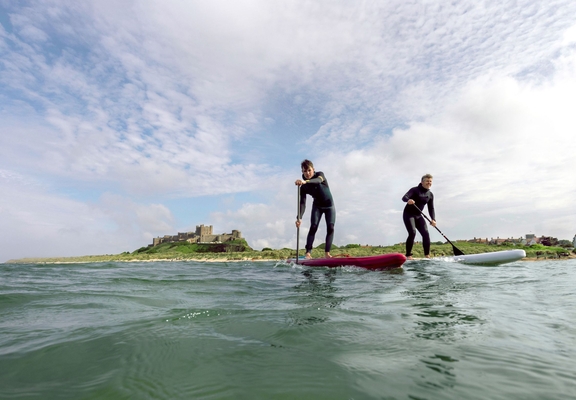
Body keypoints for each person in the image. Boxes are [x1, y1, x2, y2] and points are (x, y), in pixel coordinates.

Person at [295, 159, 335, 259]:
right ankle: (308, 253)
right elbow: (303, 203)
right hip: (317, 206)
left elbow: (317, 181)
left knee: (330, 227)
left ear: (313, 169)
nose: (307, 173)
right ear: (302, 172)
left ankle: (327, 254)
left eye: (309, 170)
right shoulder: (303, 187)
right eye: (305, 171)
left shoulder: (320, 175)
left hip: (329, 206)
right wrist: (299, 218)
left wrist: (305, 181)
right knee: (313, 227)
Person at [402, 174, 436, 260]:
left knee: (426, 233)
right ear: (422, 182)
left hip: (418, 215)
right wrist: (408, 200)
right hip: (409, 214)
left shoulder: (430, 194)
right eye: (427, 181)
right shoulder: (414, 190)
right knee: (412, 232)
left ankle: (427, 255)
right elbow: (404, 197)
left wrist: (433, 219)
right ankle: (408, 255)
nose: (429, 183)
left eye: (430, 181)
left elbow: (431, 208)